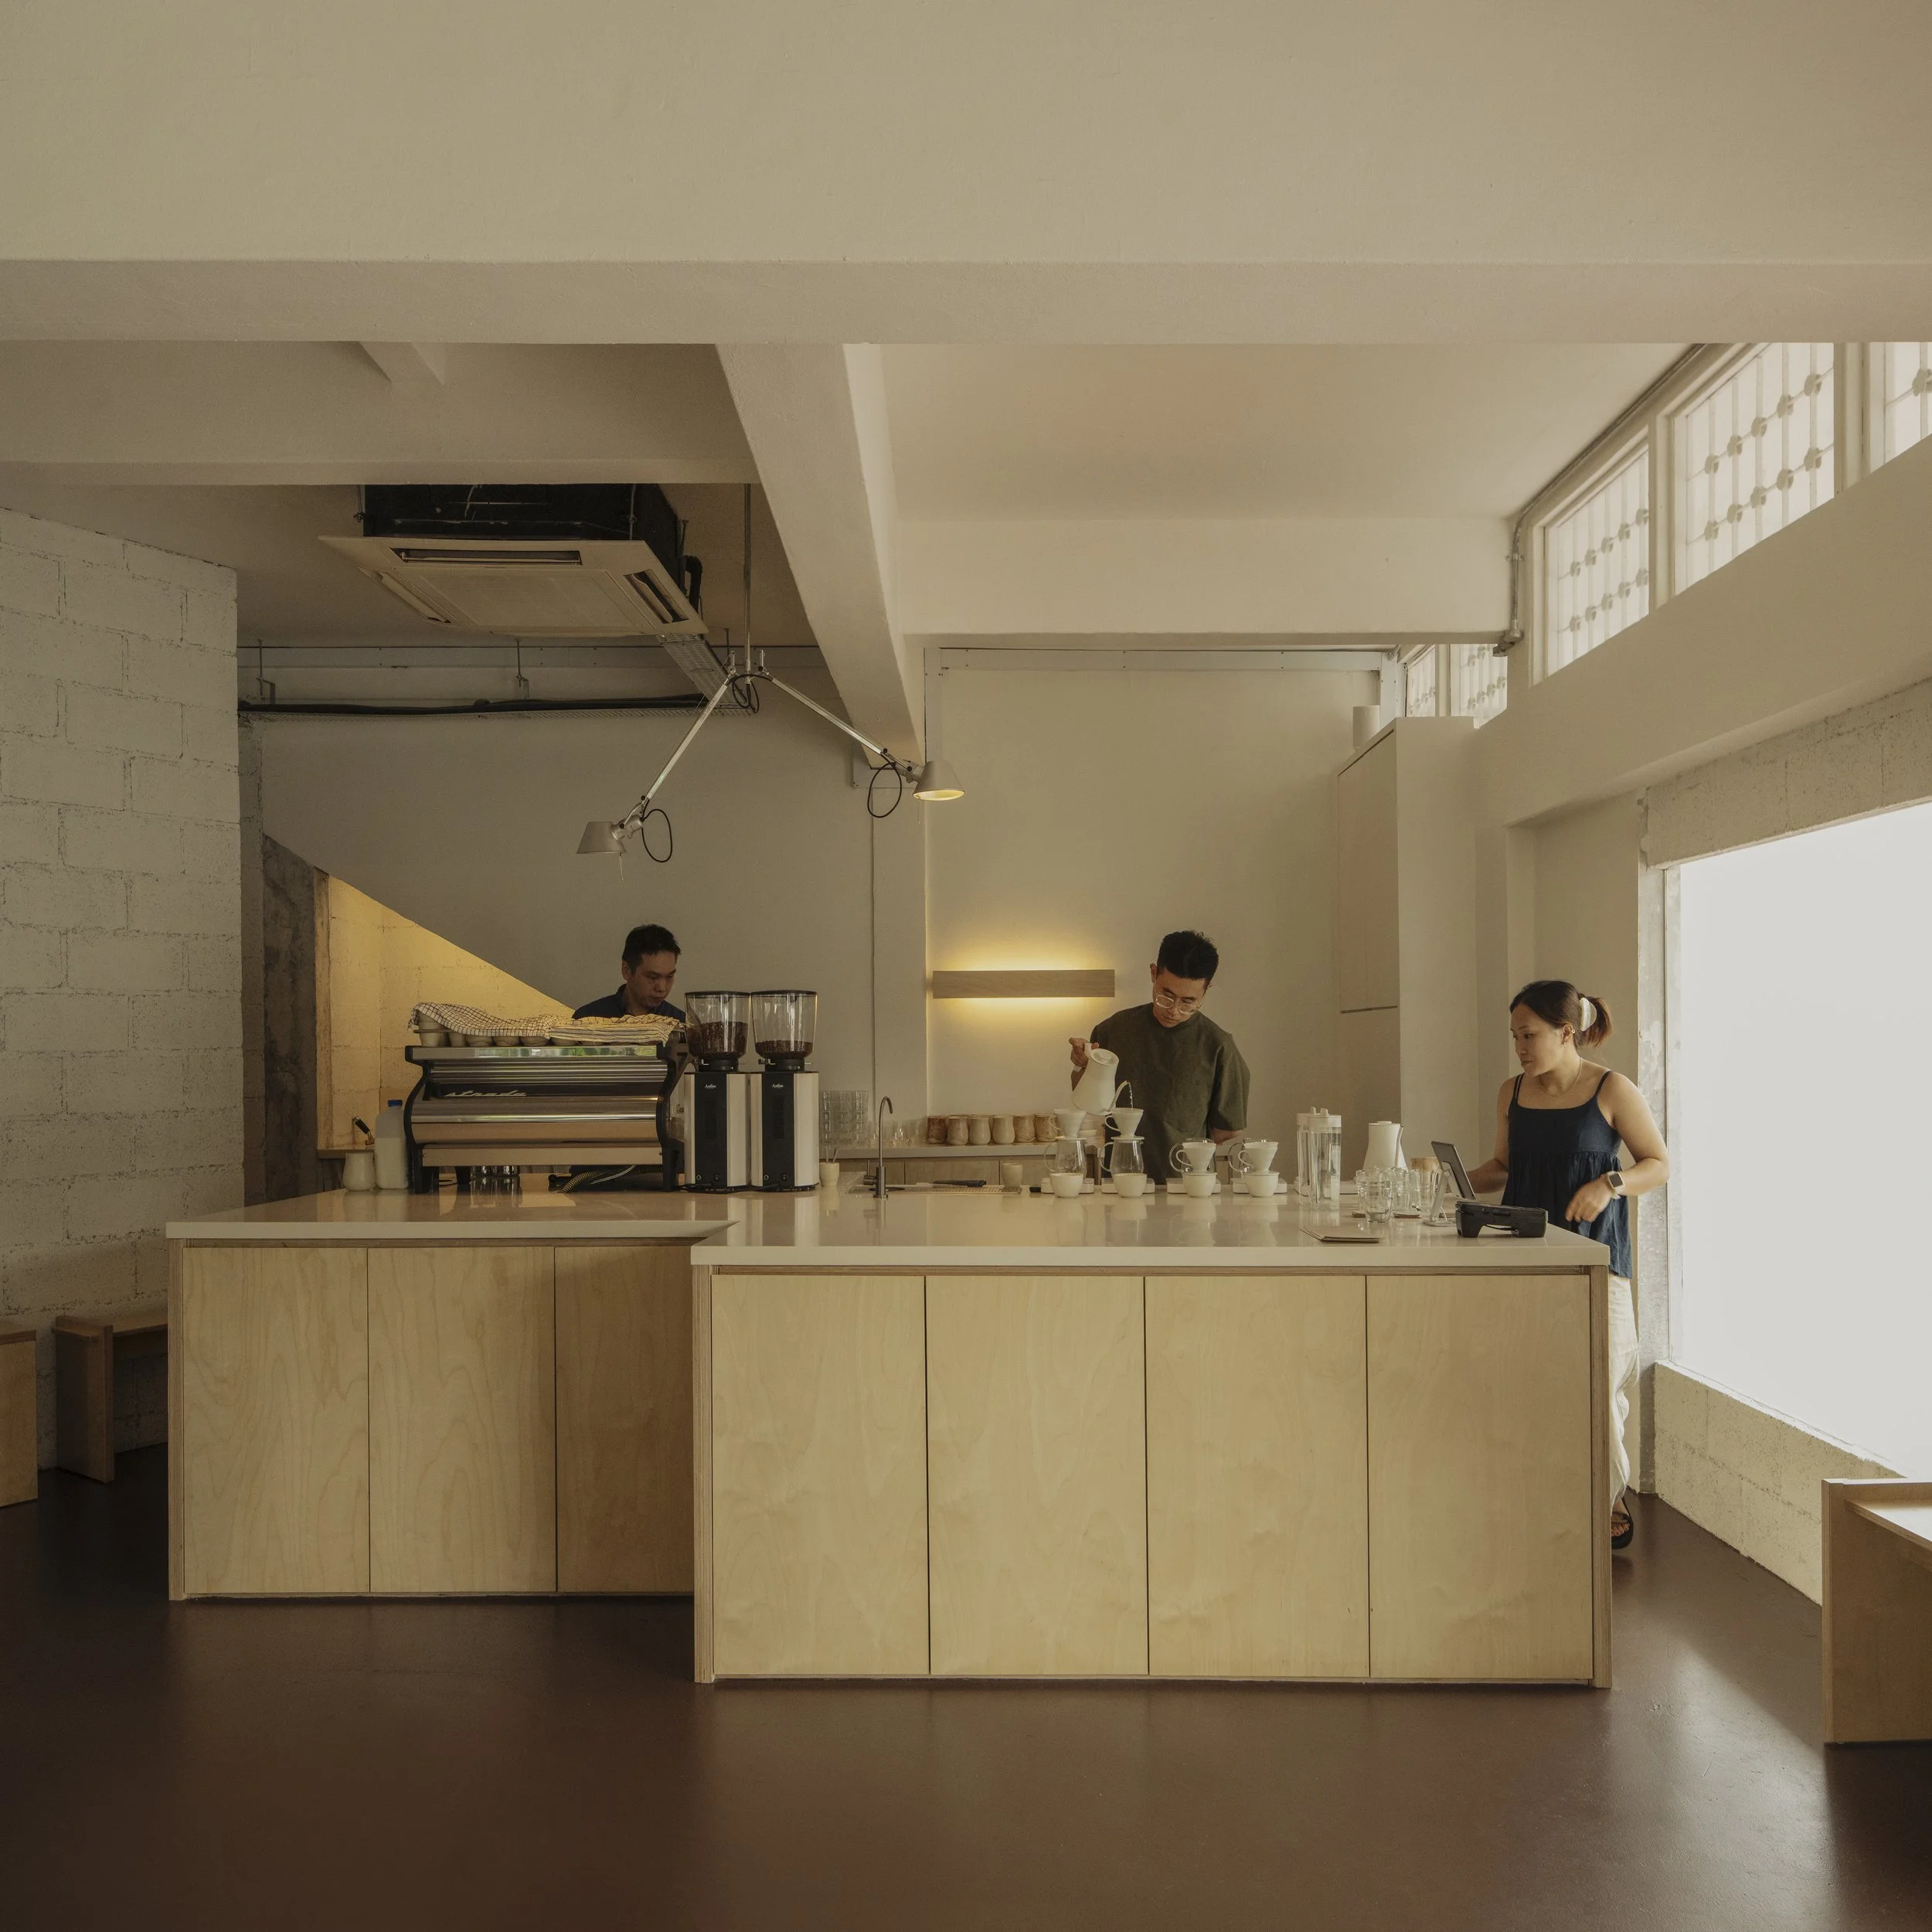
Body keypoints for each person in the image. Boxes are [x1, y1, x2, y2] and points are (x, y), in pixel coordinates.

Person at [1465, 979, 1669, 1553]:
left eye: (1529, 1035)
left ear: (1566, 1031)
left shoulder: (1611, 1089)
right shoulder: (1512, 1093)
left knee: (1601, 1382)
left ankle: (1607, 1496)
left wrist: (1611, 1184)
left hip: (1598, 1262)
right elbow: (1503, 1167)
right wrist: (1442, 1174)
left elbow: (1658, 1164)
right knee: (1533, 1379)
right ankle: (1552, 1494)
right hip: (1524, 1258)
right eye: (1515, 1037)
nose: (1520, 1048)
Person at [1069, 929, 1250, 1185]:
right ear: (1154, 973)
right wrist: (1084, 1068)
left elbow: (1228, 1129)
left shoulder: (1218, 1045)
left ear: (1207, 989)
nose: (1174, 1011)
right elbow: (1089, 1104)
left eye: (1188, 1002)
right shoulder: (1114, 1030)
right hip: (1120, 1183)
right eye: (1166, 995)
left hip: (1188, 1186)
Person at [573, 923, 685, 1021]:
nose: (662, 988)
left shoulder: (683, 1025)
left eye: (669, 977)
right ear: (626, 971)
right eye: (653, 977)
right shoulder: (586, 1020)